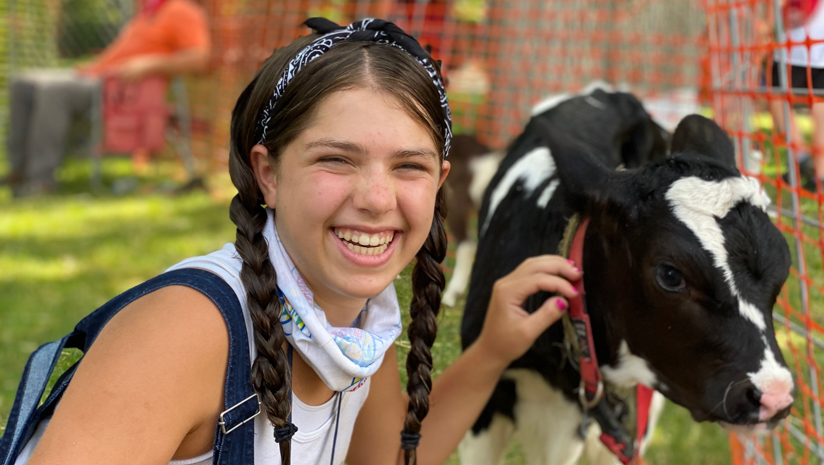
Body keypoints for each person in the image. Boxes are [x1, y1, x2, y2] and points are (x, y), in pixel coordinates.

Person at [12, 18, 581, 465]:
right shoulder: (185, 331)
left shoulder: (354, 327)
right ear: (269, 174)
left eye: (409, 166)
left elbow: (386, 459)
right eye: (336, 159)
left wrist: (492, 352)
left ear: (441, 183)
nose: (378, 199)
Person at [4, 0, 210, 197]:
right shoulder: (150, 11)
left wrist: (149, 64)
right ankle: (19, 172)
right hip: (95, 75)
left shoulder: (183, 11)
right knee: (22, 84)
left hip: (117, 90)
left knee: (51, 90)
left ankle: (41, 180)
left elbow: (199, 58)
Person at [769, 0, 824, 192]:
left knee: (777, 98)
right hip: (805, 44)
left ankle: (804, 161)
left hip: (797, 46)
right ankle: (817, 172)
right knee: (819, 106)